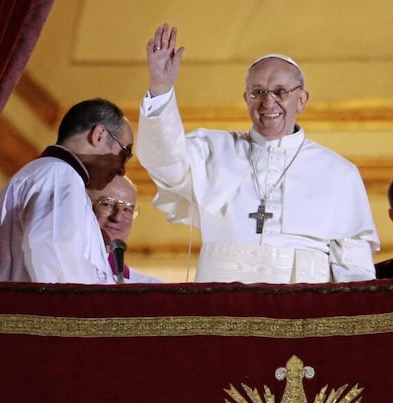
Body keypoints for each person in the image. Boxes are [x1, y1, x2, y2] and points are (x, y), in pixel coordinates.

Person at [136, 23, 379, 284]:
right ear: (246, 98)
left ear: (302, 100)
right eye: (258, 92)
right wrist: (160, 88)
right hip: (223, 304)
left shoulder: (338, 172)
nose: (267, 102)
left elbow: (353, 262)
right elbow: (164, 162)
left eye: (280, 92)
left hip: (304, 310)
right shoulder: (213, 150)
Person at [0, 98, 132, 283]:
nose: (122, 169)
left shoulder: (43, 172)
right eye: (124, 153)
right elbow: (55, 259)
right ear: (99, 135)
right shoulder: (60, 175)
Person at [87, 174, 162, 283]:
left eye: (127, 210)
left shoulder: (148, 288)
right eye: (107, 204)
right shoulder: (60, 267)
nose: (117, 217)